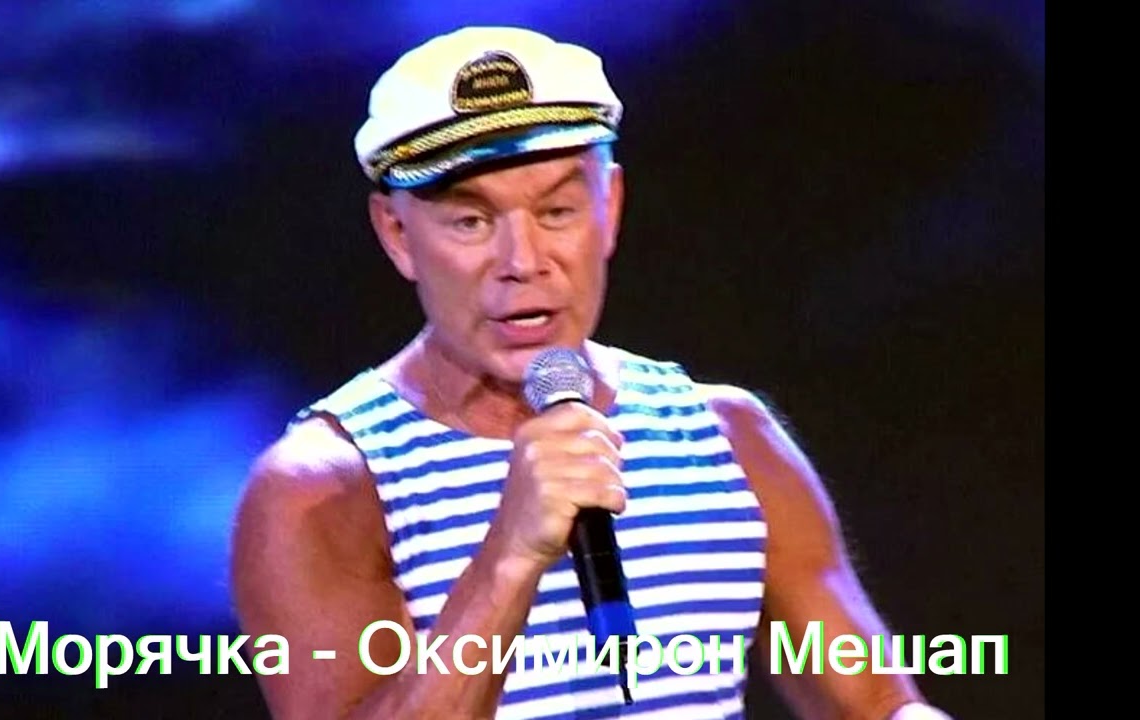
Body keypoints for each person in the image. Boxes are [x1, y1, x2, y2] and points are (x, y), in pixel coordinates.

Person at [231, 26, 954, 720]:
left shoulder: (727, 438)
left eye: (557, 211)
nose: (523, 262)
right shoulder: (322, 489)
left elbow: (875, 705)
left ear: (610, 209)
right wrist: (510, 555)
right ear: (397, 234)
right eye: (472, 222)